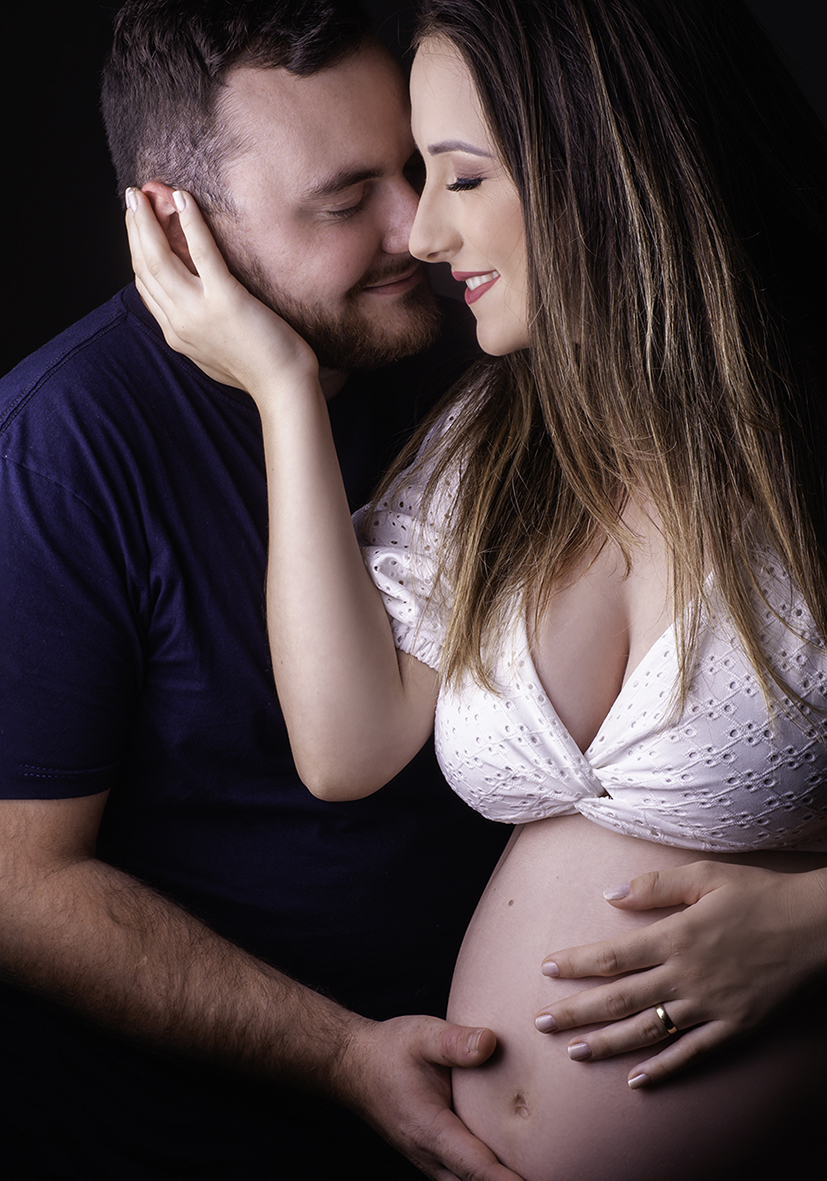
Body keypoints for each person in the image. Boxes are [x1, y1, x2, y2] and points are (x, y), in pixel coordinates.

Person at [126, 0, 827, 1177]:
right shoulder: (492, 447)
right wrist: (283, 395)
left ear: (601, 165)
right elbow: (344, 746)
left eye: (459, 176)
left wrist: (810, 927)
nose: (422, 232)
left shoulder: (801, 442)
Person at [0, 2, 521, 1178]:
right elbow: (18, 883)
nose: (416, 227)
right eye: (344, 202)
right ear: (174, 223)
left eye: (415, 168)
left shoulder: (466, 342)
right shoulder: (57, 455)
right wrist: (340, 1053)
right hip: (206, 1132)